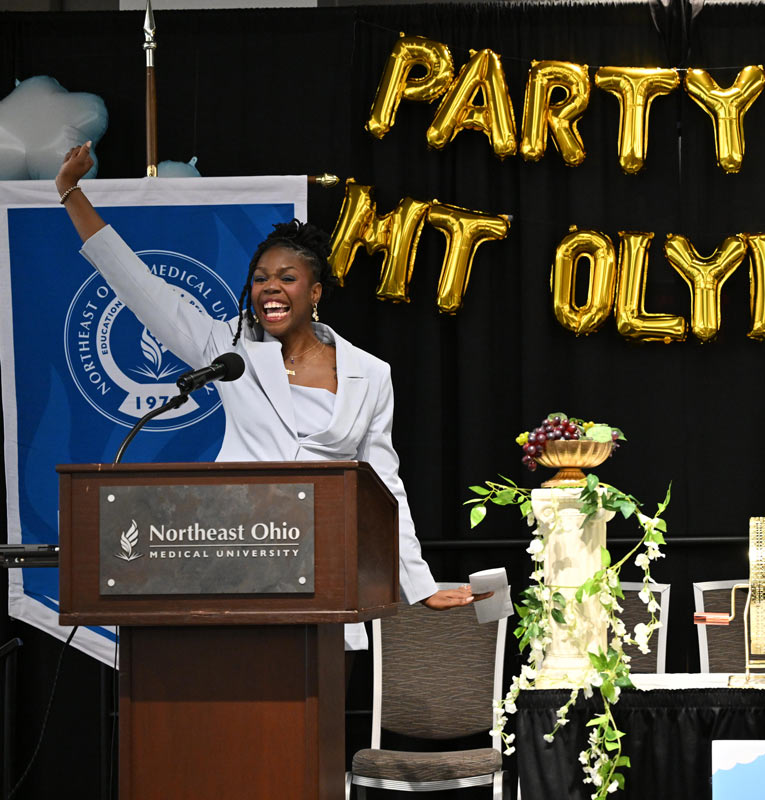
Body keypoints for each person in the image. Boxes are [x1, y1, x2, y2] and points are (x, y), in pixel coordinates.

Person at [55, 142, 487, 648]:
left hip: (330, 583)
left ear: (316, 291)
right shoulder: (227, 347)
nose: (268, 289)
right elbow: (138, 286)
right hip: (236, 568)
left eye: (286, 278)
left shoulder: (370, 374)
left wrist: (419, 584)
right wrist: (70, 193)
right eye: (259, 278)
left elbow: (384, 488)